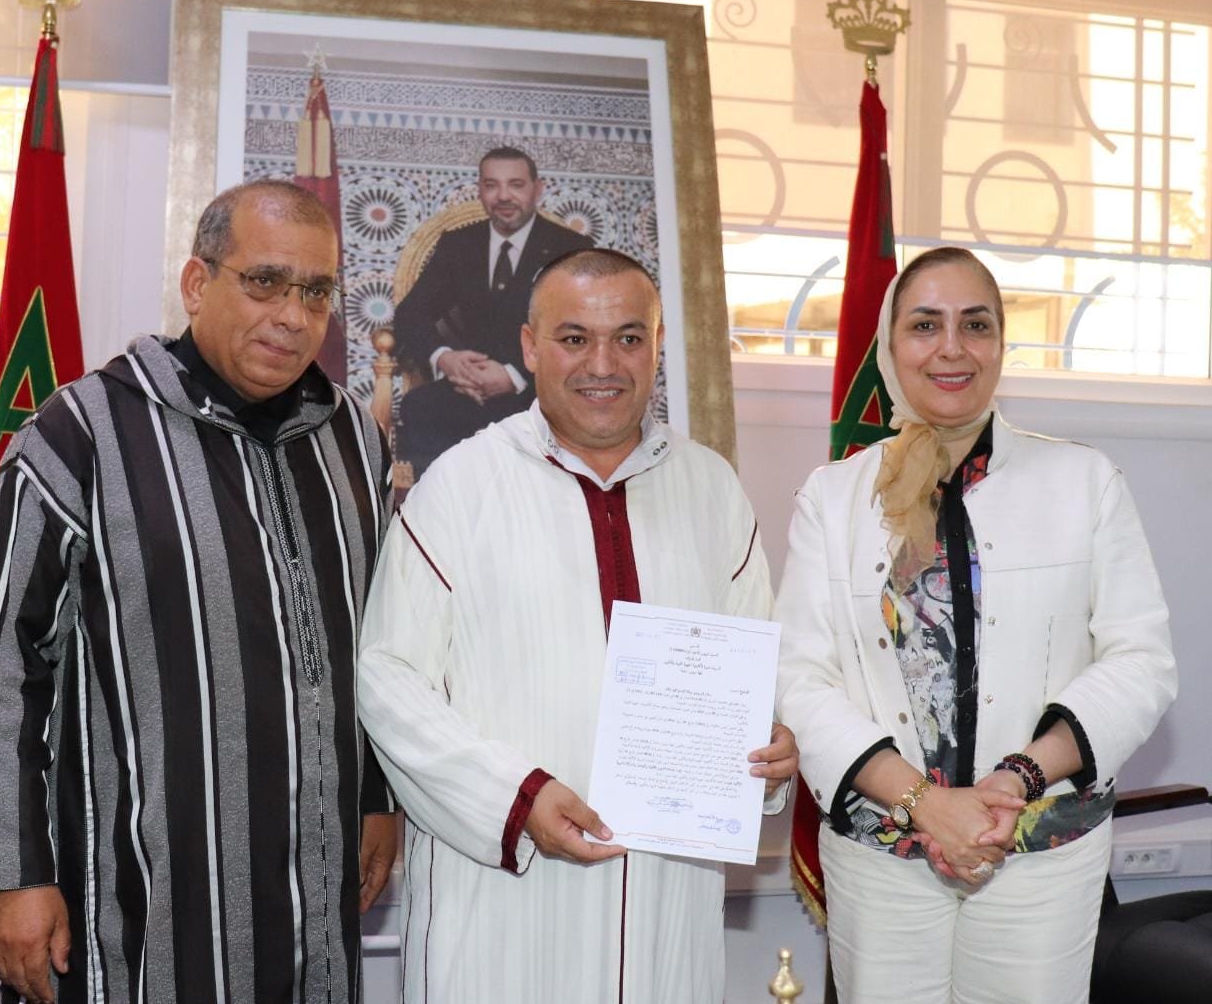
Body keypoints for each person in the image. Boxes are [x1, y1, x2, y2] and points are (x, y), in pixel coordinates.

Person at [0, 180, 399, 1004]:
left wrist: (375, 795)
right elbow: (4, 666)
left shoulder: (352, 443)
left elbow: (375, 644)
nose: (292, 315)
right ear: (196, 283)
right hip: (135, 910)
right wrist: (9, 875)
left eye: (316, 292)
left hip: (312, 899)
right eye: (264, 281)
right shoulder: (80, 432)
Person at [357, 248, 798, 1002]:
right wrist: (518, 797)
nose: (603, 364)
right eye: (574, 339)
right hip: (504, 906)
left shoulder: (711, 491)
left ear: (658, 345)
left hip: (667, 904)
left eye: (628, 338)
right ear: (530, 348)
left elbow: (757, 669)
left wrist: (769, 744)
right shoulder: (460, 486)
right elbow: (388, 681)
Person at [774, 246, 1178, 1003]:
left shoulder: (1084, 482)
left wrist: (1015, 780)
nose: (952, 348)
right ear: (891, 344)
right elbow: (800, 677)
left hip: (1040, 852)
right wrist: (924, 804)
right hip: (881, 858)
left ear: (1000, 343)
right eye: (925, 324)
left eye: (976, 324)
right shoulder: (832, 499)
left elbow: (1141, 662)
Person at [393, 145, 592, 474]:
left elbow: (581, 332)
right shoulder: (458, 244)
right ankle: (441, 504)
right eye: (491, 185)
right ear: (480, 191)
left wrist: (515, 375)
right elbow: (410, 315)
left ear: (537, 189)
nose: (503, 196)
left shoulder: (571, 249)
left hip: (538, 392)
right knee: (420, 406)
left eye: (516, 184)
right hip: (467, 389)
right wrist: (446, 359)